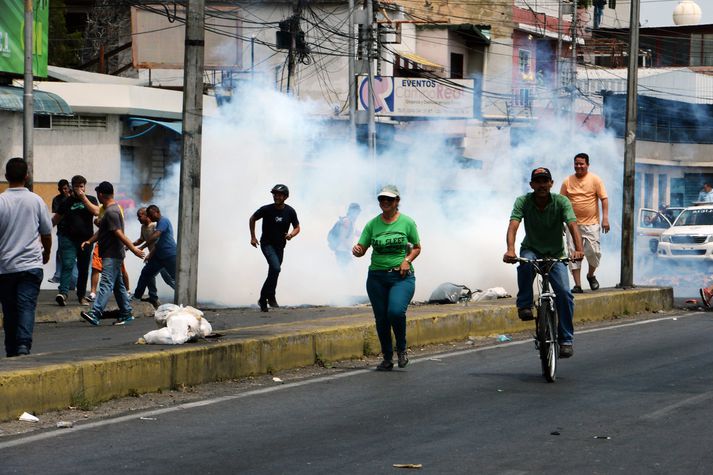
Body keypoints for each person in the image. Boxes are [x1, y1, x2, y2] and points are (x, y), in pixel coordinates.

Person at [504, 167, 584, 359]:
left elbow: (573, 225)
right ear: (532, 185)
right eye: (538, 181)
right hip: (531, 249)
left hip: (555, 253)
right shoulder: (523, 201)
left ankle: (565, 340)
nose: (541, 185)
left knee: (564, 293)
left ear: (551, 183)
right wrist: (511, 249)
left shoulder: (561, 202)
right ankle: (524, 304)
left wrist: (578, 249)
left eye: (545, 181)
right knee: (525, 263)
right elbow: (513, 226)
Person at [352, 185, 421, 371]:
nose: (385, 202)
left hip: (401, 276)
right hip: (376, 277)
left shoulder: (407, 222)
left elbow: (417, 247)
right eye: (382, 199)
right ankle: (387, 357)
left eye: (389, 199)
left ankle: (402, 349)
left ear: (397, 201)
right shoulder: (372, 224)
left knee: (395, 312)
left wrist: (407, 260)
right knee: (381, 319)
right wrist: (357, 250)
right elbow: (361, 248)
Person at [0, 158, 52, 357]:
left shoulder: (1, 201)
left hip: (6, 267)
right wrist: (46, 254)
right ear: (27, 177)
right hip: (31, 265)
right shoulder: (36, 200)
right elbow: (46, 233)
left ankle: (11, 348)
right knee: (26, 306)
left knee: (10, 310)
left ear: (6, 177)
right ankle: (23, 346)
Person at [79, 182, 144, 326]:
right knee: (117, 285)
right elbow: (102, 231)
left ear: (101, 194)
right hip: (111, 252)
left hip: (112, 254)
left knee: (106, 283)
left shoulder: (111, 211)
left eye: (98, 194)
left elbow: (119, 234)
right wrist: (89, 241)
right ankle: (126, 313)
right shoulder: (109, 211)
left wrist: (133, 249)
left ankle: (95, 313)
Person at [559, 153, 609, 293]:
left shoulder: (595, 180)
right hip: (571, 224)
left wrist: (605, 218)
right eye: (576, 163)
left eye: (581, 164)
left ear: (587, 164)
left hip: (591, 223)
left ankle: (590, 275)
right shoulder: (567, 181)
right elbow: (560, 202)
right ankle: (577, 285)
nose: (578, 166)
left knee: (594, 252)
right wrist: (559, 222)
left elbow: (604, 199)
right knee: (573, 254)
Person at [249, 184, 301, 312]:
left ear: (285, 197)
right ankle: (263, 299)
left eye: (279, 194)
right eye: (275, 194)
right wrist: (253, 237)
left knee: (274, 271)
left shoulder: (290, 211)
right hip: (267, 244)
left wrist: (290, 235)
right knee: (276, 268)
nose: (276, 196)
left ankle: (271, 297)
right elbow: (252, 218)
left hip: (280, 246)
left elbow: (297, 227)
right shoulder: (266, 209)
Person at [52, 175, 99, 306]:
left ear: (85, 187)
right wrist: (42, 232)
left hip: (86, 240)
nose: (79, 189)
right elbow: (56, 219)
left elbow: (96, 212)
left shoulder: (91, 199)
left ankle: (81, 296)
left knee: (83, 268)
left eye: (81, 186)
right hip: (68, 239)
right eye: (76, 186)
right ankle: (63, 293)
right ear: (72, 187)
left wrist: (83, 197)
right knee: (67, 264)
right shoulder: (66, 201)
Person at [132, 205, 177, 307]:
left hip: (170, 255)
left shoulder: (163, 221)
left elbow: (156, 237)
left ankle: (184, 296)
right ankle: (137, 296)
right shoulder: (153, 225)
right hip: (159, 255)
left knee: (173, 278)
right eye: (149, 216)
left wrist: (143, 247)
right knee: (146, 273)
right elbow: (155, 244)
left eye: (151, 215)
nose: (150, 218)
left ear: (157, 212)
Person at [48, 179, 74, 285]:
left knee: (71, 255)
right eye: (62, 189)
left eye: (66, 188)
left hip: (74, 231)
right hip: (62, 230)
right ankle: (58, 275)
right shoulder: (57, 200)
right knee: (60, 253)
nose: (64, 191)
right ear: (59, 189)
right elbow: (56, 215)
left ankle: (72, 278)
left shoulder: (74, 198)